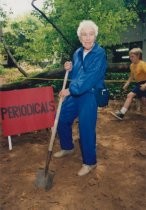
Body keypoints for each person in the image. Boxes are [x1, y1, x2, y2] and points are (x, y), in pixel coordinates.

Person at [53, 20, 107, 176]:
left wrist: (70, 90)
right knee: (62, 118)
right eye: (84, 34)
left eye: (91, 34)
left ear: (95, 36)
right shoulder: (77, 53)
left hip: (89, 93)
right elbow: (77, 74)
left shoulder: (99, 53)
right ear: (79, 37)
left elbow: (90, 77)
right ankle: (67, 147)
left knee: (86, 127)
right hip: (75, 93)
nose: (87, 38)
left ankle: (90, 162)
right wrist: (69, 68)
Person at [111, 48, 146, 120]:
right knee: (139, 99)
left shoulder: (143, 64)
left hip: (144, 83)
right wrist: (127, 83)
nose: (130, 58)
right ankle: (121, 113)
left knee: (134, 97)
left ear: (138, 56)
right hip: (138, 84)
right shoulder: (132, 65)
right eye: (130, 56)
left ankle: (121, 113)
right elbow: (131, 76)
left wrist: (145, 85)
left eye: (132, 56)